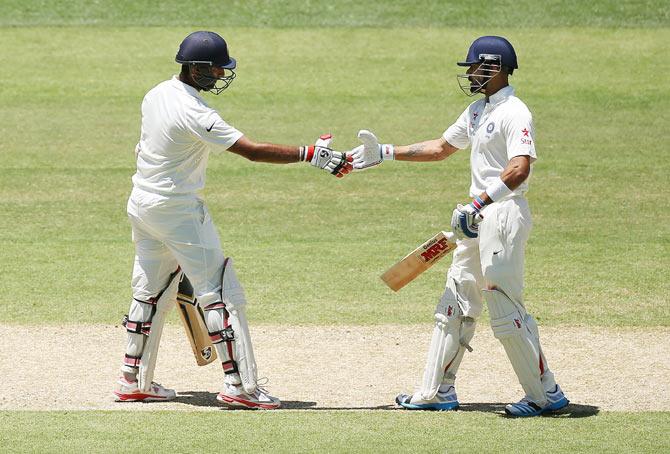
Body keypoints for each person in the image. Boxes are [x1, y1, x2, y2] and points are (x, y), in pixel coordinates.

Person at [113, 30, 352, 409]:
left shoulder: (156, 93)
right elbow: (253, 152)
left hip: (142, 204)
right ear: (195, 68)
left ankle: (133, 380)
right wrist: (312, 154)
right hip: (178, 210)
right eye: (216, 69)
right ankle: (240, 386)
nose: (222, 75)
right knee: (222, 293)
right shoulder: (195, 111)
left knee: (149, 291)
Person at [351, 36, 568, 417]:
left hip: (501, 215)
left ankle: (545, 393)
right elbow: (440, 148)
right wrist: (385, 152)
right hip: (474, 218)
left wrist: (480, 202)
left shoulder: (515, 112)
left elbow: (519, 169)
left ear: (494, 68)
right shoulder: (477, 111)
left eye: (475, 67)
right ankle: (437, 391)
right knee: (456, 301)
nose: (469, 73)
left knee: (503, 304)